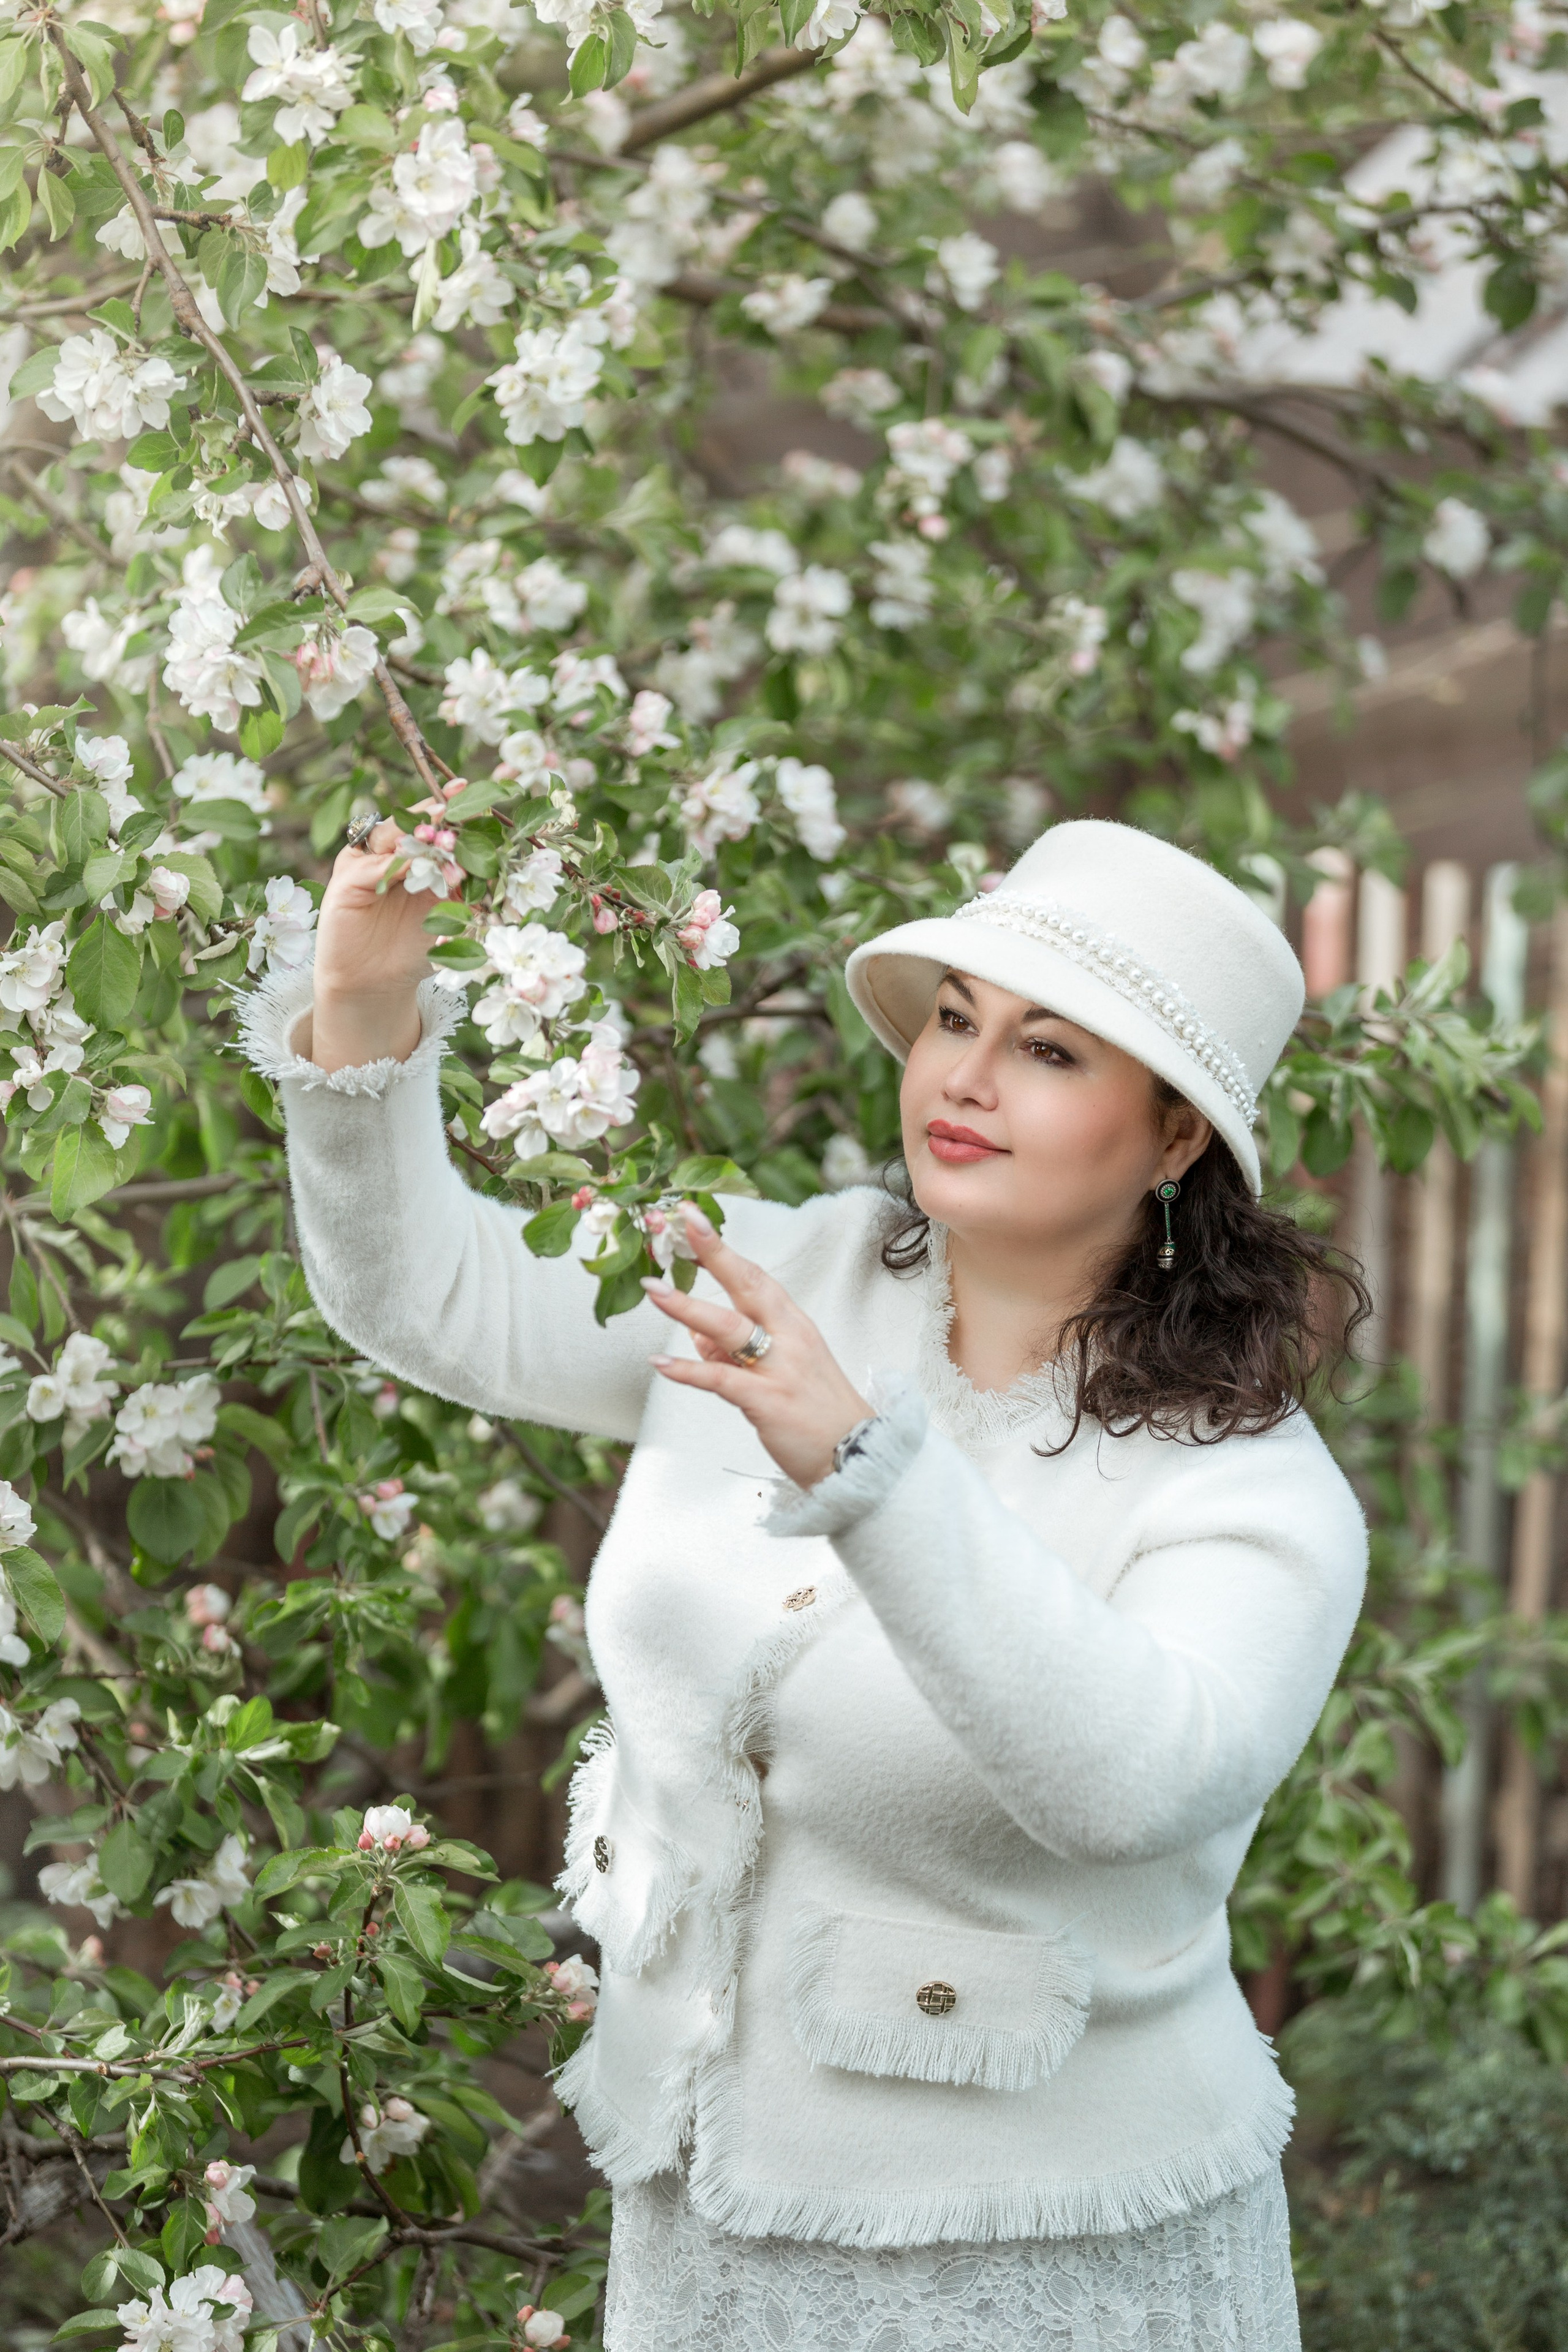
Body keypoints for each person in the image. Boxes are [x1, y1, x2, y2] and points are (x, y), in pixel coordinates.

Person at [241, 815, 1369, 2352]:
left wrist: (868, 1468)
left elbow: (1130, 1784)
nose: (962, 1077)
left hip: (1044, 2257)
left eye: (1047, 1051)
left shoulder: (1244, 1485)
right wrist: (366, 1010)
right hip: (703, 2218)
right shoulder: (793, 1271)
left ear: (1176, 1138)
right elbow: (437, 1302)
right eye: (955, 1019)